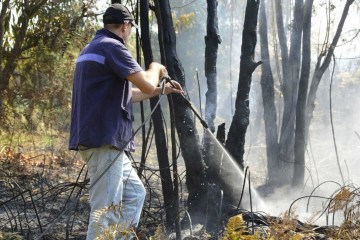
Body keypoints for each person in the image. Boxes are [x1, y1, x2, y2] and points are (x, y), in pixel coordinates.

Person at [69, 3, 183, 239]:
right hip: (104, 142)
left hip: (103, 142)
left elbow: (130, 94)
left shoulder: (94, 48)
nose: (130, 32)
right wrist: (156, 68)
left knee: (134, 195)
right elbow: (148, 83)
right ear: (125, 25)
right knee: (105, 213)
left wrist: (163, 90)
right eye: (130, 27)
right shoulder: (112, 47)